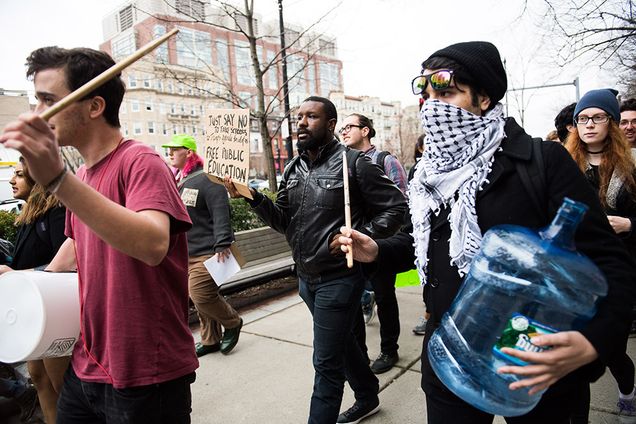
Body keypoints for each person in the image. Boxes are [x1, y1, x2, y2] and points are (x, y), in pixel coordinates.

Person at [334, 41, 635, 423]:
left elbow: (610, 262)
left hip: (529, 359)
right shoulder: (430, 175)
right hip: (450, 354)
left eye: (446, 92)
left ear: (485, 98)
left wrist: (593, 341)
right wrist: (377, 250)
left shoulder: (542, 162)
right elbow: (426, 245)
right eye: (426, 95)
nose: (433, 105)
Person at [0, 46, 198, 423]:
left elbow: (154, 244)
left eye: (48, 100)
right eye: (35, 101)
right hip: (87, 364)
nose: (38, 114)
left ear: (94, 106)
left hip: (145, 375)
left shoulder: (141, 162)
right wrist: (21, 281)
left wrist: (58, 180)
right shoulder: (86, 177)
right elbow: (72, 251)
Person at [224, 96, 406, 424]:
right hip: (306, 279)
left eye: (311, 117)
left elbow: (396, 209)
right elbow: (283, 221)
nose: (302, 123)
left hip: (339, 279)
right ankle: (367, 394)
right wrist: (252, 197)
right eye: (299, 117)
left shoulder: (355, 164)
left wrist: (360, 233)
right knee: (341, 343)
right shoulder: (294, 168)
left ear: (331, 125)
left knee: (326, 365)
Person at [565, 88, 636, 418]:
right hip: (576, 270)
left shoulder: (630, 167)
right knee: (576, 359)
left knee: (612, 350)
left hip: (618, 269)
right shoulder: (564, 165)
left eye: (597, 117)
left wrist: (629, 224)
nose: (589, 125)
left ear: (613, 122)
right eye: (582, 118)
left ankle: (627, 388)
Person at [162, 134, 243, 357]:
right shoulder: (180, 180)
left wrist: (223, 243)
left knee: (199, 294)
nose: (169, 153)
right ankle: (210, 340)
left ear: (188, 152)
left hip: (210, 252)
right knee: (200, 300)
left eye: (174, 149)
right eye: (168, 150)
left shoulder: (209, 179)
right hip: (188, 252)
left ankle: (233, 322)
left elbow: (220, 211)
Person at [0, 157, 67, 423]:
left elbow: (64, 264)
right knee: (39, 378)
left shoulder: (57, 212)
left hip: (52, 311)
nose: (11, 180)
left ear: (36, 177)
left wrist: (16, 274)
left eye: (18, 174)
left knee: (59, 382)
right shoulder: (28, 215)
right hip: (32, 311)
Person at [340, 113, 407, 374]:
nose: (344, 131)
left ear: (365, 130)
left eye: (349, 127)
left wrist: (374, 232)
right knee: (353, 300)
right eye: (341, 128)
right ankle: (361, 356)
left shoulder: (385, 160)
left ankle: (389, 349)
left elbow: (399, 204)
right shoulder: (342, 162)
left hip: (380, 243)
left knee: (385, 296)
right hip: (351, 244)